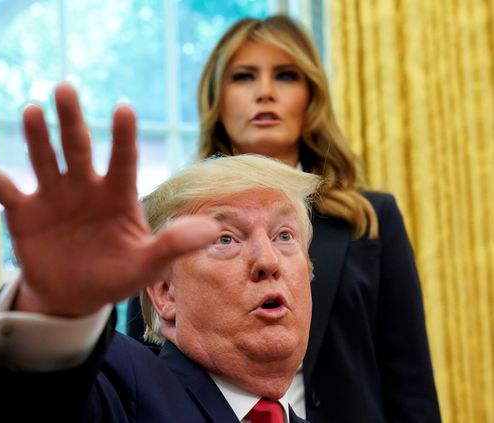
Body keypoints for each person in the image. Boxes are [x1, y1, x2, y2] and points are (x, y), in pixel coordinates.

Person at [0, 82, 321, 422]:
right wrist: (54, 311)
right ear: (164, 293)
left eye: (284, 235)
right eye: (225, 239)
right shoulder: (120, 384)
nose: (268, 261)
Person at [127, 15, 441, 422]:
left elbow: (409, 380)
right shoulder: (169, 220)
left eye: (286, 76)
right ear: (217, 101)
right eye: (244, 77)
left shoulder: (370, 219)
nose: (265, 93)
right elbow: (142, 364)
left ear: (311, 97)